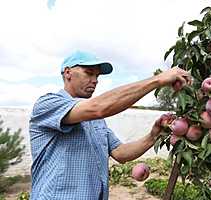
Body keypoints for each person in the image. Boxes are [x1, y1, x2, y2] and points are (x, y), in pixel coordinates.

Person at [29, 50, 191, 200]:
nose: (95, 80)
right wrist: (157, 80)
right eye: (89, 73)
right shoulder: (48, 104)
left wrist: (153, 135)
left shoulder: (94, 119)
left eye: (97, 76)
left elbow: (120, 153)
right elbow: (99, 108)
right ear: (68, 73)